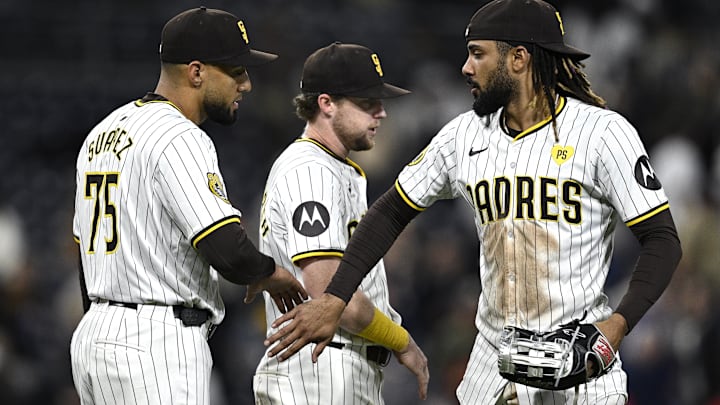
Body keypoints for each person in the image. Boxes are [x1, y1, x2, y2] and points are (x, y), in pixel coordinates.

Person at [262, 1, 682, 404]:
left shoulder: (602, 133)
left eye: (478, 54)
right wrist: (335, 297)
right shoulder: (463, 135)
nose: (466, 67)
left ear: (518, 58)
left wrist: (617, 326)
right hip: (490, 373)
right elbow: (391, 210)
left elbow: (662, 239)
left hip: (579, 369)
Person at [70, 7, 307, 405]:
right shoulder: (180, 136)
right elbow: (226, 249)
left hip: (94, 335)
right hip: (155, 342)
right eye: (235, 72)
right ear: (196, 72)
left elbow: (83, 255)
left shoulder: (102, 131)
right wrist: (271, 274)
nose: (246, 85)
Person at [252, 42, 429, 404]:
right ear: (326, 103)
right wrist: (400, 339)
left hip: (331, 368)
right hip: (321, 368)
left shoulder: (330, 167)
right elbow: (331, 294)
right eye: (367, 103)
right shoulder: (311, 170)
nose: (381, 113)